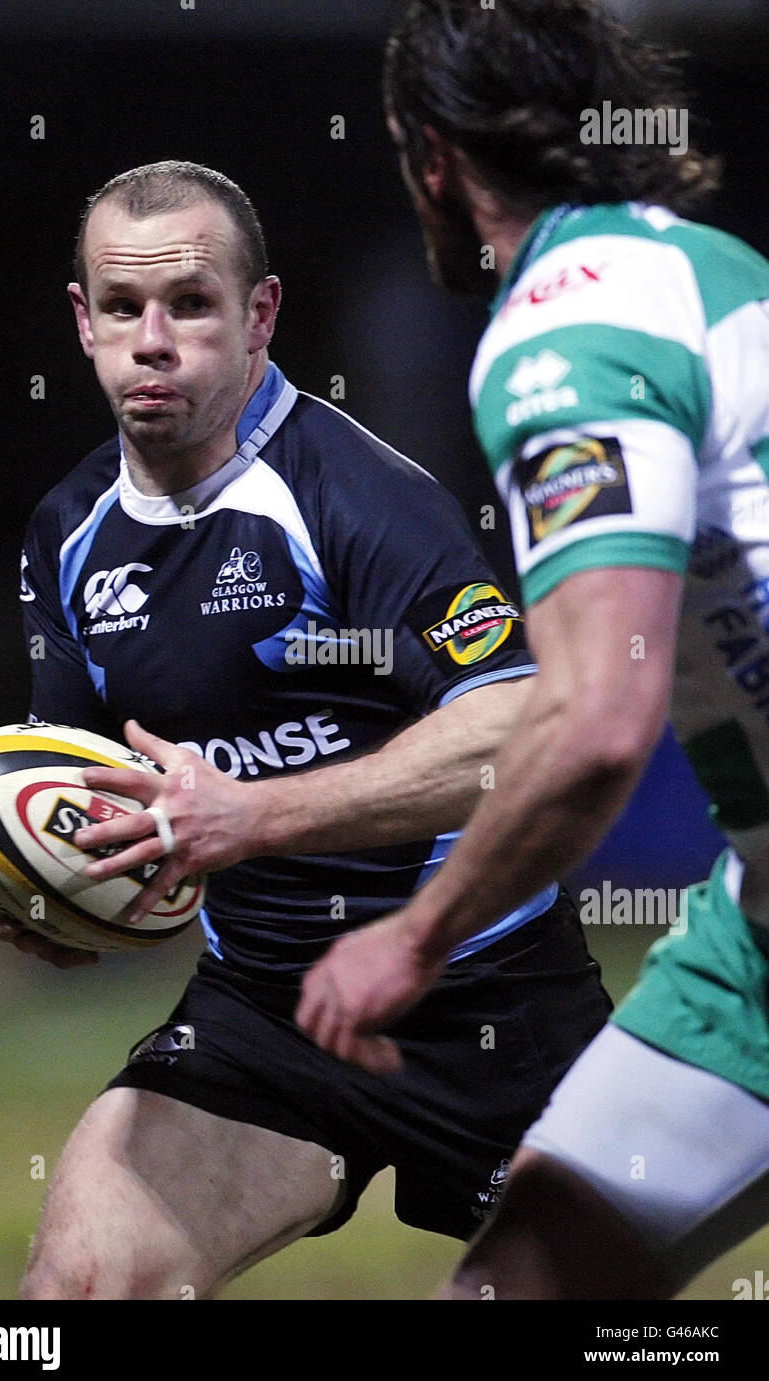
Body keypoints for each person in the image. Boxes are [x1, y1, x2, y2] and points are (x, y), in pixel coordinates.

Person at [0, 159, 611, 1299]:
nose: (153, 342)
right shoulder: (69, 533)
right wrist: (63, 895)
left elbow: (518, 724)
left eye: (191, 304)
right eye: (122, 306)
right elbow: (89, 783)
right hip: (262, 1015)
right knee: (74, 1295)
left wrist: (253, 817)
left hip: (488, 1000)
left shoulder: (358, 498)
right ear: (83, 322)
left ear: (260, 314)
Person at [297, 0, 769, 1299]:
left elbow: (598, 719)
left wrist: (416, 938)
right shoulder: (711, 268)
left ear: (433, 157)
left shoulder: (564, 331)